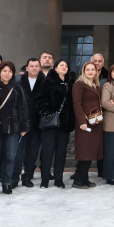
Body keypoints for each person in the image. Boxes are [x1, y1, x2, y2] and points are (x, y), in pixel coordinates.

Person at [0, 61, 29, 195]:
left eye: (10, 71)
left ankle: (6, 182)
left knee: (10, 156)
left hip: (13, 127)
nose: (7, 74)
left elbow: (23, 108)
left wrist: (24, 127)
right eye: (4, 71)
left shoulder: (17, 88)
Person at [35, 59, 73, 189]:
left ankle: (59, 179)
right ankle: (45, 180)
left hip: (64, 124)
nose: (64, 67)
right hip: (50, 123)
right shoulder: (48, 81)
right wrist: (48, 111)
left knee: (61, 153)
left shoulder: (70, 83)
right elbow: (39, 100)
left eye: (66, 65)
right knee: (47, 152)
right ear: (55, 68)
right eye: (61, 65)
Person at [72, 62, 104, 189]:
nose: (90, 72)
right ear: (83, 71)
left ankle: (84, 179)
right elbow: (77, 104)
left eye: (92, 69)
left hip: (95, 123)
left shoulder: (96, 85)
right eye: (88, 69)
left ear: (96, 71)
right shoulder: (79, 84)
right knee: (85, 152)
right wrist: (81, 122)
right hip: (85, 124)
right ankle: (78, 181)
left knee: (90, 152)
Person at [16, 57, 43, 188]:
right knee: (18, 152)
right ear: (27, 68)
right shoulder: (18, 81)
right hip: (21, 122)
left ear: (40, 68)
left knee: (32, 151)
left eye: (36, 66)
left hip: (37, 122)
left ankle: (27, 176)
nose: (34, 68)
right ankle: (14, 177)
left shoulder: (44, 82)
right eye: (31, 66)